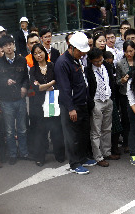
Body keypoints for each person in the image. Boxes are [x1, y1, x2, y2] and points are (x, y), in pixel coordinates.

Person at [55, 32, 97, 175]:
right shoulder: (62, 63)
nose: (83, 54)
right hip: (71, 106)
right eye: (80, 51)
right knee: (71, 136)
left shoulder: (76, 59)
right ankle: (74, 163)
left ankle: (83, 158)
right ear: (71, 47)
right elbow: (65, 88)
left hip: (82, 103)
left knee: (83, 134)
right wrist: (71, 108)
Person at [0, 34, 29, 165]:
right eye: (5, 46)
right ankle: (12, 154)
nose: (9, 47)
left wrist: (24, 87)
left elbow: (26, 78)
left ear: (14, 45)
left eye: (10, 44)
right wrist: (5, 81)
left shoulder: (21, 60)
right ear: (2, 48)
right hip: (6, 101)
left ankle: (24, 152)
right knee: (9, 130)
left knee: (22, 128)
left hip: (20, 98)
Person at [85, 48, 119, 167]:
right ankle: (98, 156)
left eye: (100, 60)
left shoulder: (107, 66)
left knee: (107, 128)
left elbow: (112, 81)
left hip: (108, 99)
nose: (99, 63)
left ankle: (107, 152)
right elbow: (88, 88)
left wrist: (111, 97)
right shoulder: (88, 71)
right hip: (96, 102)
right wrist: (92, 103)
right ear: (91, 61)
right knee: (96, 131)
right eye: (96, 61)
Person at [116, 41, 135, 154]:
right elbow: (117, 81)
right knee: (126, 119)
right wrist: (122, 80)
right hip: (124, 94)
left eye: (131, 51)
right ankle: (126, 142)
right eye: (126, 51)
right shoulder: (120, 63)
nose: (129, 53)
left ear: (134, 50)